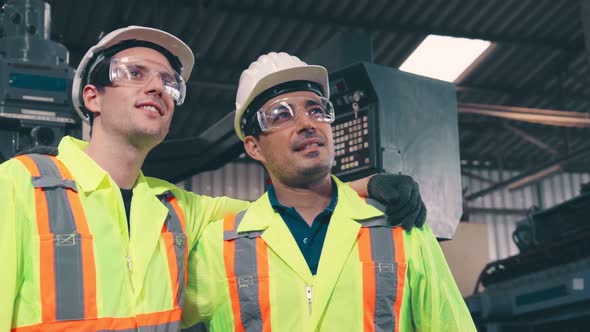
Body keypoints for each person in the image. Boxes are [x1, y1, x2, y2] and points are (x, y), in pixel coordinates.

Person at [0, 28, 426, 331]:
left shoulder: (181, 213)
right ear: (91, 97)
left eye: (169, 82)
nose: (157, 87)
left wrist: (366, 187)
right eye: (134, 73)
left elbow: (288, 211)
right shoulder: (22, 186)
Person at [185, 52, 475, 331]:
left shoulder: (400, 225)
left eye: (316, 110)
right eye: (281, 115)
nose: (307, 123)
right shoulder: (219, 247)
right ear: (254, 147)